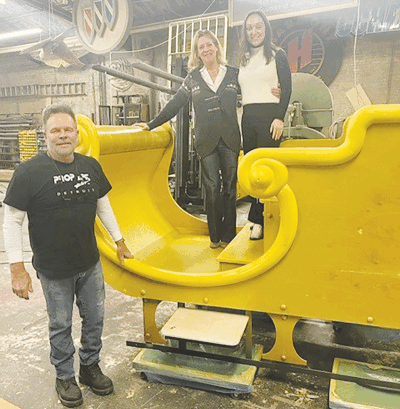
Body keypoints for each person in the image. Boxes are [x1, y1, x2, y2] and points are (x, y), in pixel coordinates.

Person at [3, 103, 133, 408]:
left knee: (95, 319)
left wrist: (120, 240)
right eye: (55, 130)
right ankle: (64, 376)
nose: (63, 135)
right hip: (54, 269)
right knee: (60, 324)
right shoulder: (28, 172)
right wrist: (16, 269)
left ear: (76, 133)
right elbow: (11, 222)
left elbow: (104, 205)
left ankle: (89, 367)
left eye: (67, 129)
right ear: (45, 135)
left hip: (89, 262)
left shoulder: (90, 166)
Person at [137, 29, 241, 249]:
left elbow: (254, 93)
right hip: (206, 139)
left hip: (230, 137)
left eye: (209, 44)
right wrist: (151, 123)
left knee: (230, 188)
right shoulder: (193, 78)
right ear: (197, 52)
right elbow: (175, 104)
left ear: (216, 47)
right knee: (212, 188)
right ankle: (215, 236)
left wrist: (274, 94)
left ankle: (228, 236)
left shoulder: (233, 73)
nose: (206, 49)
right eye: (201, 47)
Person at [238, 10, 292, 240]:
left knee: (265, 170)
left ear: (266, 28)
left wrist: (280, 117)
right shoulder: (243, 59)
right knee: (252, 171)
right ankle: (257, 216)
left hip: (270, 117)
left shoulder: (278, 55)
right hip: (248, 116)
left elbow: (287, 88)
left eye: (258, 26)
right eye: (249, 27)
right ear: (245, 32)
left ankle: (259, 220)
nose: (254, 31)